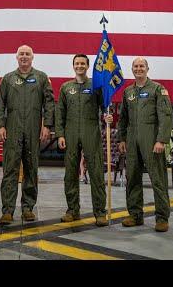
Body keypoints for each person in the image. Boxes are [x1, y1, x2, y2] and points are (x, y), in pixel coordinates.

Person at [0, 45, 55, 225]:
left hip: (33, 129)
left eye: (27, 54)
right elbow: (0, 104)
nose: (24, 57)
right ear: (16, 57)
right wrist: (0, 126)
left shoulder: (41, 78)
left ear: (32, 57)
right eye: (21, 54)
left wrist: (47, 126)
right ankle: (7, 210)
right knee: (10, 170)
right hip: (12, 130)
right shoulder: (8, 79)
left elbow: (49, 103)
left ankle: (28, 208)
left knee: (31, 169)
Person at [56, 54, 112, 227]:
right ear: (73, 66)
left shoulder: (96, 86)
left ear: (88, 66)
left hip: (91, 130)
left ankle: (100, 213)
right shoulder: (66, 87)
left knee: (96, 172)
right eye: (77, 63)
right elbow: (60, 113)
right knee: (70, 173)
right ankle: (72, 211)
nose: (79, 66)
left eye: (82, 63)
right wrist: (60, 134)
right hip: (70, 131)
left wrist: (108, 116)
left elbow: (105, 107)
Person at [118, 57, 172, 232]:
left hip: (152, 139)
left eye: (142, 66)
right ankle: (135, 215)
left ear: (147, 69)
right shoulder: (128, 92)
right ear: (132, 69)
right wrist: (122, 139)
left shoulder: (157, 89)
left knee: (158, 179)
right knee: (132, 178)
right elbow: (123, 118)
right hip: (132, 140)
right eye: (135, 66)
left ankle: (162, 218)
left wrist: (161, 140)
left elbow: (165, 116)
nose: (138, 69)